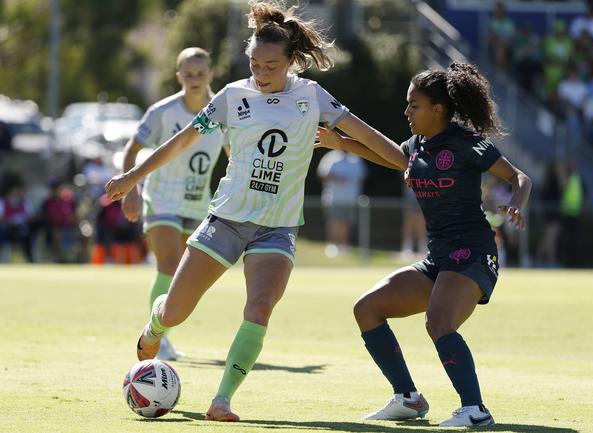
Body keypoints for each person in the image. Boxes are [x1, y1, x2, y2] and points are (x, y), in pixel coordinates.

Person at [106, 0, 407, 421]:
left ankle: (222, 399)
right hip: (226, 220)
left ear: (291, 62)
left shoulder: (313, 96)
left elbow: (390, 153)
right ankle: (155, 326)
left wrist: (344, 144)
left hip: (277, 229)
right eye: (254, 64)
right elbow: (182, 142)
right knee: (175, 311)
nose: (260, 74)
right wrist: (133, 176)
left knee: (260, 307)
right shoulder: (232, 96)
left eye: (270, 66)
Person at [316, 62, 532, 426]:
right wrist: (342, 142)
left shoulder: (466, 143)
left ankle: (475, 410)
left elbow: (518, 176)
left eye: (413, 105)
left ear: (438, 110)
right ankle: (408, 399)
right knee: (366, 309)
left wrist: (516, 202)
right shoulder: (416, 146)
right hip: (439, 259)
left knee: (439, 321)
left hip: (473, 253)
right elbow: (391, 157)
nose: (406, 112)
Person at [119, 47, 228, 360]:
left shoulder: (225, 112)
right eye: (188, 74)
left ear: (210, 74)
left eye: (200, 73)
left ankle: (161, 332)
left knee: (182, 272)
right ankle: (157, 338)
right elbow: (132, 149)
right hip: (161, 199)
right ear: (179, 76)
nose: (195, 79)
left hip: (197, 205)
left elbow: (235, 156)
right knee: (168, 264)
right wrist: (132, 188)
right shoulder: (163, 111)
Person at [316, 149, 367, 257]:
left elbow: (361, 177)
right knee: (333, 221)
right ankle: (332, 245)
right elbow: (322, 174)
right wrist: (337, 178)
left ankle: (343, 245)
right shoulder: (331, 157)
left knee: (346, 223)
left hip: (350, 198)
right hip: (334, 197)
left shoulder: (356, 158)